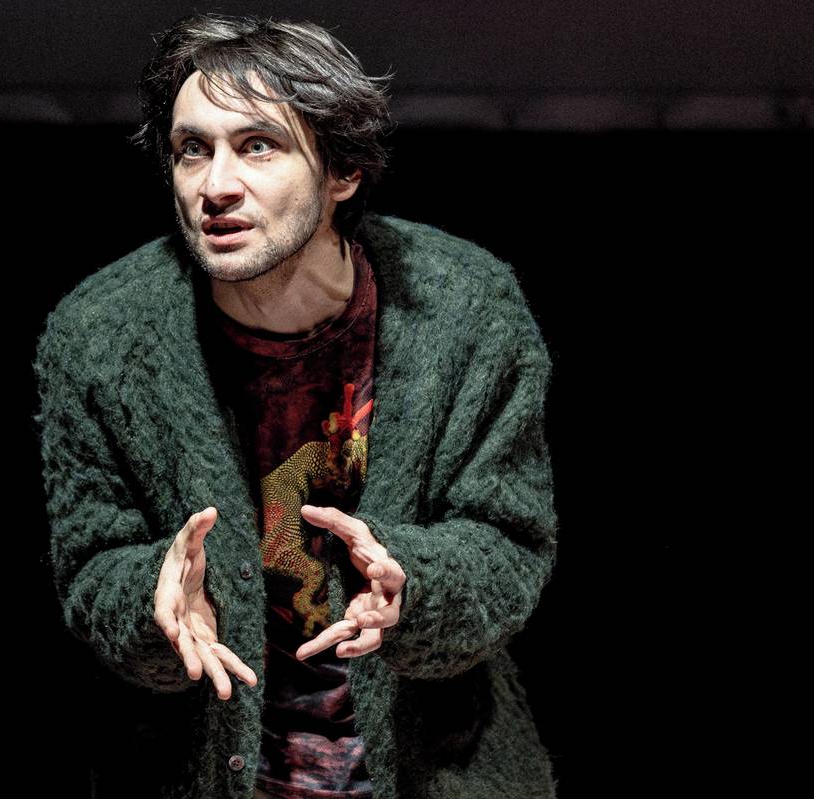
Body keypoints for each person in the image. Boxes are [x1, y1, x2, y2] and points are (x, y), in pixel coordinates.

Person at [33, 12, 559, 799]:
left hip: (434, 768)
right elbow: (90, 565)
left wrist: (411, 587)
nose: (215, 185)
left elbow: (509, 544)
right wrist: (151, 598)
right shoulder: (99, 334)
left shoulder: (467, 310)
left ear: (341, 171)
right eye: (192, 149)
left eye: (257, 145)